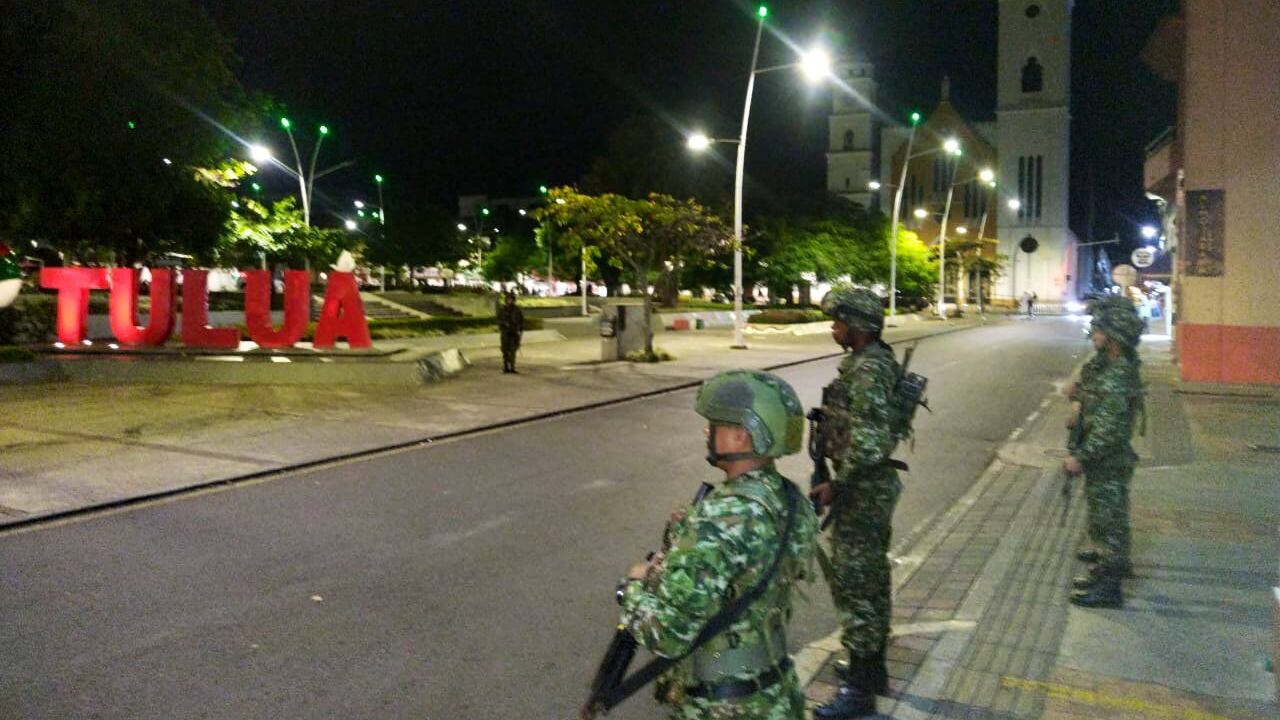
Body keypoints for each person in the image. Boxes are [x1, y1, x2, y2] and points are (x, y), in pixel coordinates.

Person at [618, 369, 818, 720]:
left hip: (725, 705)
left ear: (742, 435)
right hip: (776, 694)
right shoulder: (789, 499)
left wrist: (632, 587)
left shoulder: (723, 515)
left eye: (715, 424)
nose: (706, 431)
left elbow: (667, 633)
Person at [810, 285, 902, 719]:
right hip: (869, 487)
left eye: (839, 320)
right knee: (870, 582)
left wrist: (838, 485)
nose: (834, 327)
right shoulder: (871, 363)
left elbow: (870, 441)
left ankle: (860, 693)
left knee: (856, 586)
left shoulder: (868, 371)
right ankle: (871, 669)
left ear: (858, 325)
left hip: (863, 491)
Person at [1064, 297, 1144, 608]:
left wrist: (1080, 458)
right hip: (1107, 462)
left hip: (1108, 461)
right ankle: (1108, 568)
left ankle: (1110, 588)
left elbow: (1110, 430)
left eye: (1099, 331)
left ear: (1113, 338)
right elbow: (1098, 402)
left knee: (1109, 520)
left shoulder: (1118, 375)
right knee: (1107, 517)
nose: (1094, 335)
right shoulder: (1111, 368)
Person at [496, 289, 523, 373]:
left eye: (511, 299)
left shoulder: (517, 309)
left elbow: (521, 320)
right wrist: (503, 324)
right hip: (505, 332)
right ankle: (505, 367)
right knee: (505, 350)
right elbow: (498, 319)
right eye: (508, 299)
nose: (509, 301)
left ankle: (512, 367)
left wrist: (520, 330)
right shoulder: (503, 309)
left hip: (514, 332)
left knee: (513, 350)